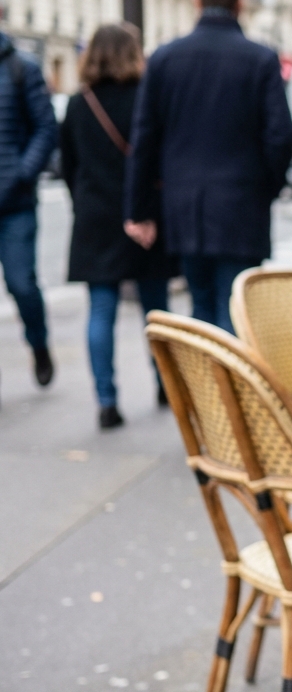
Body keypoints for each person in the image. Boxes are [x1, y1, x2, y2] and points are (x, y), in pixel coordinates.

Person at [124, 0, 292, 335]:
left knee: (201, 306)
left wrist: (139, 208)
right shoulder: (261, 59)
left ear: (197, 2)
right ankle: (229, 372)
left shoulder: (165, 58)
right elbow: (280, 136)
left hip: (185, 206)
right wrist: (267, 187)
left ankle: (207, 372)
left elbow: (145, 139)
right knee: (237, 310)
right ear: (239, 3)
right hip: (242, 204)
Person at [62, 24, 173, 429]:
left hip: (96, 217)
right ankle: (166, 385)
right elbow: (159, 160)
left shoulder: (79, 103)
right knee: (156, 309)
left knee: (101, 309)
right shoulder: (147, 97)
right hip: (143, 214)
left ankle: (107, 402)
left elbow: (68, 165)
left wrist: (85, 204)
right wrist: (147, 212)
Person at [0, 29, 58, 392]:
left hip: (15, 203)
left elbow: (46, 127)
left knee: (21, 284)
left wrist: (22, 173)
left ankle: (38, 343)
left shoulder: (22, 67)